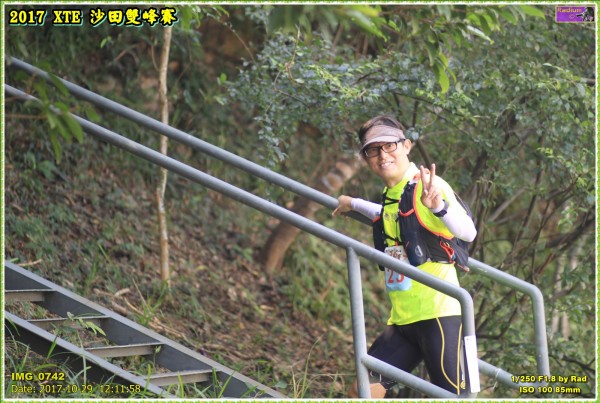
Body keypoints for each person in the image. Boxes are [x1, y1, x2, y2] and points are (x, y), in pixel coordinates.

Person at [332, 115, 477, 398]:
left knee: (454, 398)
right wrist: (353, 203)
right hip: (403, 320)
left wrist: (439, 208)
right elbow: (390, 215)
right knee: (363, 391)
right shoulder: (393, 193)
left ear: (407, 146)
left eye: (389, 146)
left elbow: (469, 232)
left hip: (439, 315)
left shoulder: (428, 185)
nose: (382, 155)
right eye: (373, 150)